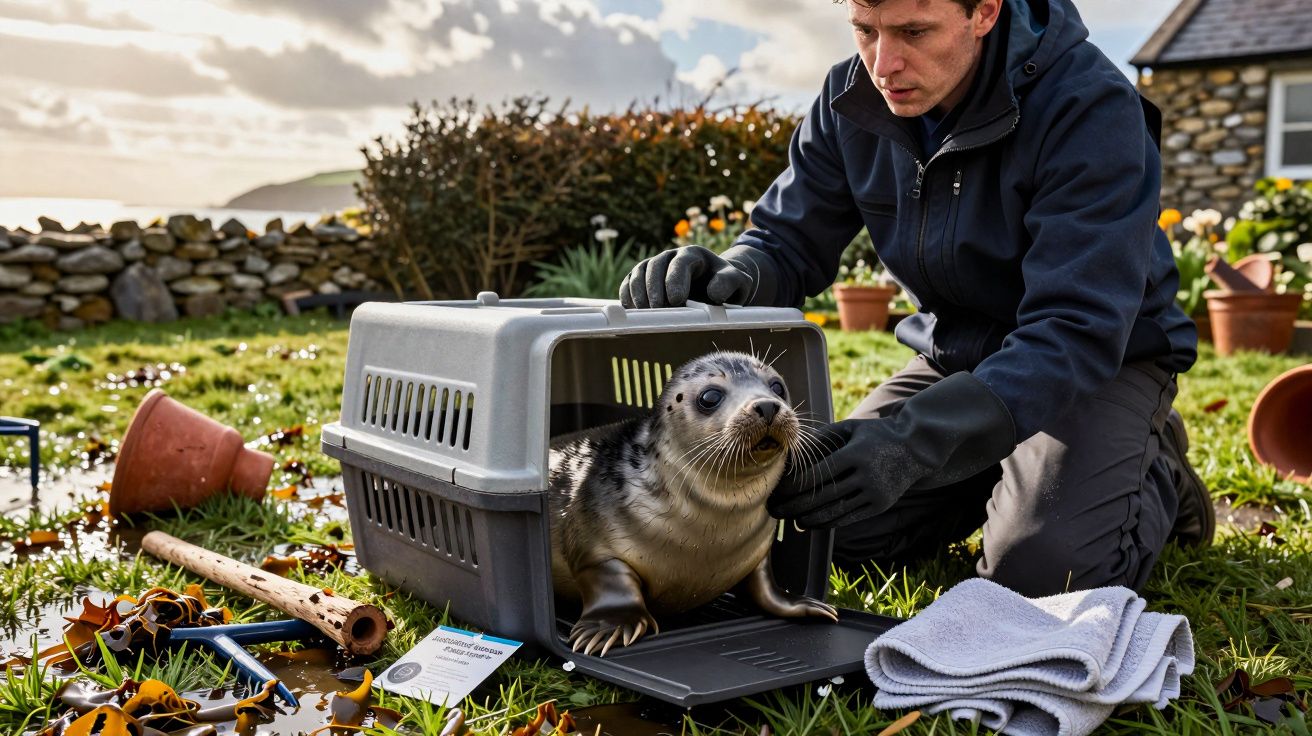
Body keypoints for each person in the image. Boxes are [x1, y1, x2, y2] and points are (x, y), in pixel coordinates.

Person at [618, 0, 1214, 597]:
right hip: (955, 357)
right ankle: (996, 473)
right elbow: (788, 238)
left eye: (913, 32)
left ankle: (1155, 466)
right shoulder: (849, 97)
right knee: (809, 522)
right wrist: (736, 273)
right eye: (865, 32)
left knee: (1041, 575)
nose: (883, 64)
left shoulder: (1089, 105)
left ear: (984, 11)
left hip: (1095, 365)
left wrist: (915, 442)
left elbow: (1077, 325)